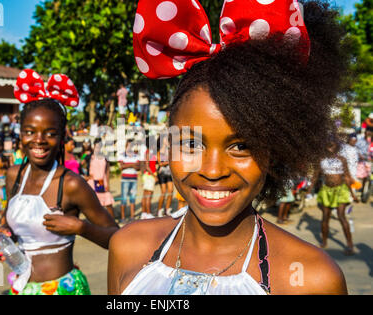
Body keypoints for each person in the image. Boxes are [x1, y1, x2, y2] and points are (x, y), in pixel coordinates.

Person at [108, 0, 348, 295]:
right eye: (192, 143)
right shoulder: (127, 247)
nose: (212, 170)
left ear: (276, 150)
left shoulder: (312, 279)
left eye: (241, 146)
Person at [0, 69, 118, 295]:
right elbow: (10, 223)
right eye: (30, 131)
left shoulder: (71, 184)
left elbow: (116, 237)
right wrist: (1, 235)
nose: (39, 140)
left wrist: (80, 227)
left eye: (50, 133)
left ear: (62, 136)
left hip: (62, 289)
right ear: (20, 134)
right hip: (21, 288)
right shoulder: (13, 175)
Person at [308, 140, 359, 255]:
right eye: (328, 145)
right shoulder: (321, 160)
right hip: (326, 190)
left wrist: (353, 194)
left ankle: (350, 245)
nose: (330, 148)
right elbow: (315, 176)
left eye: (333, 146)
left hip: (341, 190)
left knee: (341, 216)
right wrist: (309, 190)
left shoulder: (342, 160)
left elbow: (347, 177)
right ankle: (324, 242)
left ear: (337, 148)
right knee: (325, 217)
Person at [87, 138, 115, 218]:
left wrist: (108, 183)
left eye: (99, 146)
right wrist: (86, 176)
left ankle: (112, 223)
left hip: (102, 181)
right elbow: (80, 164)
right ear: (93, 146)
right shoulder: (89, 156)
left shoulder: (104, 157)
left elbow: (107, 171)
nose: (98, 148)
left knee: (108, 203)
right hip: (92, 182)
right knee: (94, 205)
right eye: (96, 146)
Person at [118, 139, 140, 222]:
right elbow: (121, 166)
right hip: (125, 179)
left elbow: (138, 167)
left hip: (134, 179)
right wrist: (132, 165)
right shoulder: (122, 155)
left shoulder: (136, 155)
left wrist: (127, 165)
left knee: (132, 198)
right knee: (123, 198)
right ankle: (123, 218)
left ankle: (132, 217)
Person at [157, 135, 173, 217]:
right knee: (163, 192)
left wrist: (167, 162)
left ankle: (167, 209)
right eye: (166, 139)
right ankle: (159, 210)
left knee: (171, 191)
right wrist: (169, 161)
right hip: (162, 173)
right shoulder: (159, 151)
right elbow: (160, 163)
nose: (167, 141)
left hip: (169, 173)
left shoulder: (170, 150)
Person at [141, 136, 157, 219]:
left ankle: (144, 213)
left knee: (145, 195)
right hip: (149, 175)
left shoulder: (149, 152)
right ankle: (148, 213)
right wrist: (154, 176)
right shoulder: (148, 152)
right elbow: (147, 166)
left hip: (148, 175)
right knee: (148, 195)